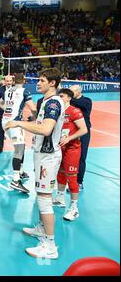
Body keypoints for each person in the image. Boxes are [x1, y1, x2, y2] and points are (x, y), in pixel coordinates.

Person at [5, 68, 65, 259]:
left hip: (48, 157)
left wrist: (19, 123)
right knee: (41, 195)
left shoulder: (54, 103)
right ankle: (41, 229)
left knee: (45, 199)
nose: (37, 83)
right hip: (41, 155)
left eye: (41, 80)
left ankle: (50, 245)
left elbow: (46, 129)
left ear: (52, 83)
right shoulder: (45, 101)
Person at [0, 72, 37, 193]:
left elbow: (0, 103)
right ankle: (15, 180)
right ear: (24, 80)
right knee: (19, 149)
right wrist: (34, 118)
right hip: (14, 123)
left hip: (6, 121)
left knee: (22, 146)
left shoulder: (8, 90)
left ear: (14, 81)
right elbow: (33, 108)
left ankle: (20, 172)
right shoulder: (25, 91)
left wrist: (9, 111)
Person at [53, 89, 88, 221]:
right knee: (60, 173)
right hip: (59, 148)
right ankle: (60, 198)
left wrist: (69, 138)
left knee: (71, 178)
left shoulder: (74, 111)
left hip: (72, 149)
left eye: (61, 96)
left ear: (68, 98)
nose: (59, 98)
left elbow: (84, 129)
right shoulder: (57, 111)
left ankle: (74, 208)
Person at [69, 85, 92, 191]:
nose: (70, 93)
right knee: (67, 157)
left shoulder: (87, 101)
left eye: (72, 92)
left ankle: (79, 182)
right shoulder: (71, 100)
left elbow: (80, 104)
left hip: (83, 133)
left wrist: (69, 98)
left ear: (78, 92)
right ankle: (66, 181)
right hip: (70, 132)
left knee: (81, 157)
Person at [0, 75, 13, 153]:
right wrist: (0, 109)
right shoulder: (0, 90)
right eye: (7, 81)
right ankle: (0, 147)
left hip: (13, 114)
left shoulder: (16, 90)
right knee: (1, 131)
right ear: (5, 82)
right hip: (3, 114)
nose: (9, 82)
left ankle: (17, 147)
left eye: (10, 81)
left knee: (15, 130)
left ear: (12, 81)